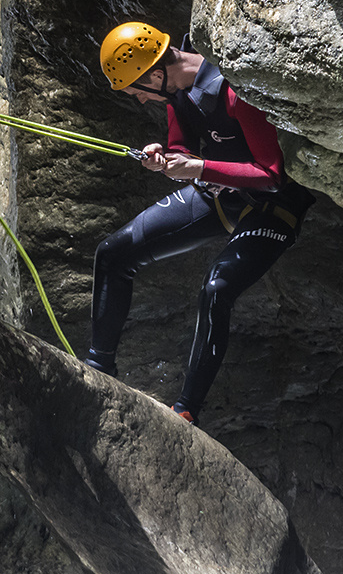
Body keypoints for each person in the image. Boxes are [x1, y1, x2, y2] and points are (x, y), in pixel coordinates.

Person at [87, 22, 315, 426]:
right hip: (219, 194)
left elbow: (272, 174)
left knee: (216, 290)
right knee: (113, 253)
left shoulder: (234, 91)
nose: (140, 101)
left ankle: (185, 412)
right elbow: (182, 148)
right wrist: (167, 156)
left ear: (156, 73)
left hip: (274, 205)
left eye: (138, 91)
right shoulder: (177, 93)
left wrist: (200, 166)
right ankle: (97, 372)